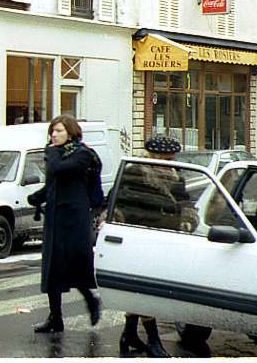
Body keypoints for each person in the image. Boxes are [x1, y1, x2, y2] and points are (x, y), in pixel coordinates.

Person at [117, 135, 195, 357]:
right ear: (153, 155)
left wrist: (188, 218)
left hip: (165, 238)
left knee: (142, 289)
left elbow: (184, 200)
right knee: (145, 289)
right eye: (166, 157)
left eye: (172, 158)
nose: (170, 161)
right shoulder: (136, 173)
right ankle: (153, 340)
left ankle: (129, 333)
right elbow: (125, 204)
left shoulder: (175, 174)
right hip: (141, 238)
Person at [27, 114, 101, 333]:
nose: (54, 135)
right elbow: (54, 183)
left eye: (59, 131)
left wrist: (50, 152)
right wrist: (38, 197)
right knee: (53, 268)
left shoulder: (82, 154)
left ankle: (91, 300)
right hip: (55, 216)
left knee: (74, 263)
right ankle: (55, 318)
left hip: (75, 218)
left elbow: (60, 169)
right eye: (52, 131)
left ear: (71, 132)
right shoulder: (57, 155)